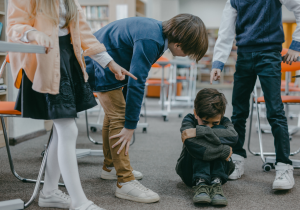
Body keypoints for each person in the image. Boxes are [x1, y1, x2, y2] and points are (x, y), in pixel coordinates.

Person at [6, 0, 135, 209]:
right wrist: (33, 34)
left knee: (61, 131)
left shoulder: (71, 1)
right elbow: (13, 28)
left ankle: (49, 192)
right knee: (67, 130)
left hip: (67, 59)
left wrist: (110, 64)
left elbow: (84, 35)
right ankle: (79, 201)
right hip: (44, 61)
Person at [85, 14, 209, 203]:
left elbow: (132, 77)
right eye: (189, 51)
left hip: (107, 61)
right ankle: (125, 182)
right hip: (98, 63)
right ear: (179, 43)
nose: (188, 56)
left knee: (114, 115)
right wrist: (130, 125)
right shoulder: (152, 40)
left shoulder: (156, 33)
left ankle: (110, 167)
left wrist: (129, 117)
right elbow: (137, 81)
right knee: (118, 116)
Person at [210, 0, 300, 190]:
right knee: (238, 112)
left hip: (269, 55)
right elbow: (226, 31)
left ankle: (284, 166)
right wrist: (218, 63)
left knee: (275, 112)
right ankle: (237, 158)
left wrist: (297, 43)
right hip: (244, 56)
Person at [176, 88, 238, 206]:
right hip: (190, 173)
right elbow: (190, 143)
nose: (209, 127)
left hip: (220, 173)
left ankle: (216, 182)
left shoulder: (224, 121)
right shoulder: (189, 119)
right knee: (197, 144)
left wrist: (200, 131)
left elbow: (234, 137)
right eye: (204, 122)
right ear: (196, 113)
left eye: (214, 123)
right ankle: (201, 183)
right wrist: (223, 150)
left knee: (218, 130)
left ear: (222, 115)